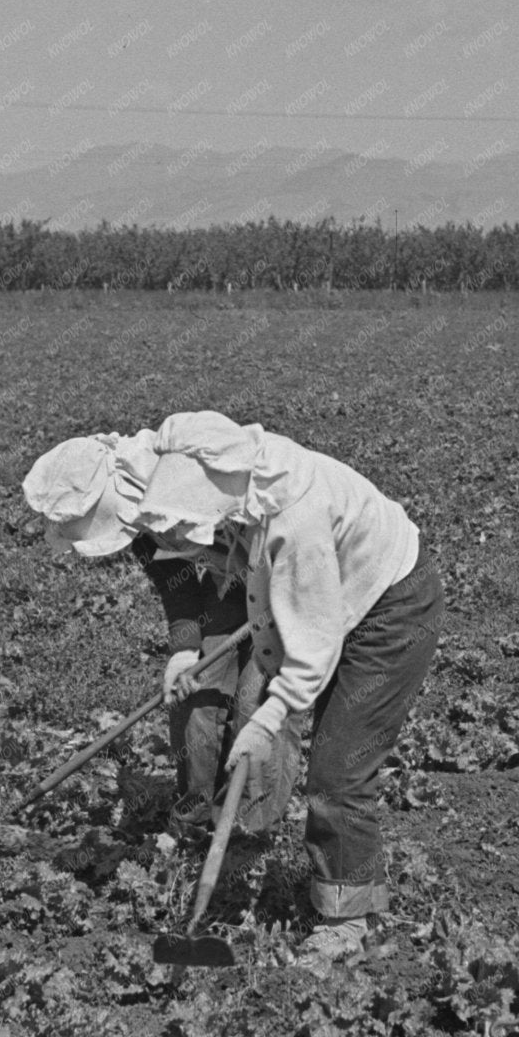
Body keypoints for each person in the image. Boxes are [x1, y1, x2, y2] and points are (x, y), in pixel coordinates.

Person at [131, 411, 444, 969]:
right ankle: (278, 868)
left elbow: (312, 648)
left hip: (393, 608)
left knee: (340, 764)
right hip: (343, 592)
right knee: (305, 741)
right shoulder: (249, 477)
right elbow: (272, 610)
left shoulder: (294, 519)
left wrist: (265, 721)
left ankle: (349, 922)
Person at [21, 431, 297, 835]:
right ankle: (195, 820)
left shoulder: (187, 476)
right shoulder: (136, 521)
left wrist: (271, 616)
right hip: (230, 578)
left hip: (287, 576)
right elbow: (178, 583)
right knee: (196, 695)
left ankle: (247, 833)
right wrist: (184, 651)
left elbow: (284, 544)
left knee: (255, 700)